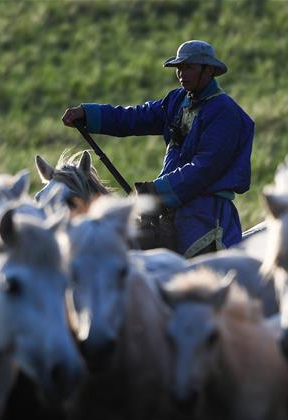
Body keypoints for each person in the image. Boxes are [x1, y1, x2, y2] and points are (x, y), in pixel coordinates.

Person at [61, 40, 254, 258]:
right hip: (172, 210)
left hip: (207, 215)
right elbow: (134, 117)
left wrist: (158, 191)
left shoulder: (225, 112)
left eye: (189, 67)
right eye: (179, 68)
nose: (181, 73)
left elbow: (204, 168)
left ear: (208, 70)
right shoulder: (176, 100)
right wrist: (89, 114)